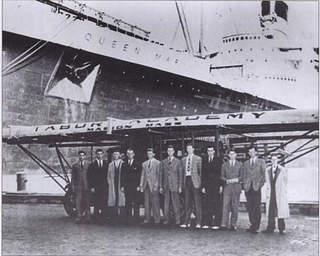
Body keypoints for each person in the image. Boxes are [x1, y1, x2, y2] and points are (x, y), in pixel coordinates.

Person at [262, 154, 290, 235]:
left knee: (280, 211)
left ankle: (282, 228)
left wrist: (283, 190)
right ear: (270, 161)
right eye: (272, 160)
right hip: (271, 193)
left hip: (279, 193)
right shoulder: (268, 170)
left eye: (275, 159)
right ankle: (270, 227)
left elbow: (285, 181)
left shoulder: (283, 170)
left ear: (278, 160)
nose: (274, 161)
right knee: (271, 210)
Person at [243, 146, 266, 234]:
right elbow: (244, 174)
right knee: (250, 206)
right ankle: (252, 224)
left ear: (256, 152)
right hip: (248, 187)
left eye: (253, 152)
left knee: (257, 206)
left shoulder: (261, 162)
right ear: (248, 153)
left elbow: (264, 174)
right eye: (250, 152)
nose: (251, 153)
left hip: (256, 187)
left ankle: (256, 226)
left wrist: (260, 184)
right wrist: (245, 184)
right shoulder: (245, 163)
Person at [219, 148, 243, 231]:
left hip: (236, 187)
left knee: (235, 207)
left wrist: (237, 179)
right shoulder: (224, 165)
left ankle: (233, 224)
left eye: (233, 154)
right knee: (225, 206)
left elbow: (242, 176)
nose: (232, 156)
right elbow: (221, 176)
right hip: (227, 188)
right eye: (230, 154)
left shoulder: (240, 164)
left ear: (236, 155)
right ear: (228, 155)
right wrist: (226, 180)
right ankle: (223, 224)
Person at [159, 145, 183, 226]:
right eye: (168, 151)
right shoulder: (163, 162)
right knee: (166, 204)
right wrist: (161, 186)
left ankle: (178, 220)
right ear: (167, 152)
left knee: (176, 203)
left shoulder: (178, 162)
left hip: (175, 186)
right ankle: (166, 220)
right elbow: (161, 175)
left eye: (171, 151)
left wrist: (180, 186)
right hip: (166, 186)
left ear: (174, 152)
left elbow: (180, 175)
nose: (170, 152)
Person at [201, 145, 223, 229]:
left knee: (216, 204)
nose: (210, 152)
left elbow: (221, 173)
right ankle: (208, 222)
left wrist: (221, 185)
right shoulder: (205, 160)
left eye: (211, 151)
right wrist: (203, 186)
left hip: (216, 185)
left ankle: (217, 223)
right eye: (208, 151)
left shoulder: (218, 160)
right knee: (207, 204)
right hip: (207, 186)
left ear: (214, 151)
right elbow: (203, 174)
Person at [180, 143, 202, 229]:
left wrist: (199, 183)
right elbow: (182, 173)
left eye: (190, 148)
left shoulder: (198, 159)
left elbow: (200, 172)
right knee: (187, 202)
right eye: (187, 148)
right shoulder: (183, 160)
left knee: (197, 203)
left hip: (195, 182)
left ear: (193, 149)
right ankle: (187, 222)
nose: (189, 150)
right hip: (187, 181)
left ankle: (198, 222)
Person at [140, 148, 161, 227]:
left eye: (151, 154)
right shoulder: (144, 164)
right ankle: (147, 219)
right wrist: (141, 185)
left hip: (154, 186)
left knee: (155, 203)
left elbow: (159, 175)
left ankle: (157, 220)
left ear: (154, 154)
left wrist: (156, 185)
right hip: (146, 185)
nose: (149, 155)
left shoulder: (158, 163)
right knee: (146, 203)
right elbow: (143, 175)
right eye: (148, 154)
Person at [120, 148, 142, 225]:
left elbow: (140, 175)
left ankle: (136, 220)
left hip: (135, 187)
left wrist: (139, 185)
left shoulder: (138, 164)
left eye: (131, 153)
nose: (130, 155)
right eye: (128, 154)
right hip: (127, 187)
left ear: (134, 154)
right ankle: (128, 220)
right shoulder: (124, 164)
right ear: (126, 155)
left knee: (136, 203)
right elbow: (122, 176)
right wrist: (122, 186)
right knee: (128, 203)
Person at [87, 149, 108, 222]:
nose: (99, 155)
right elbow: (90, 177)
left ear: (103, 155)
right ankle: (96, 217)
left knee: (104, 201)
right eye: (98, 154)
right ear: (96, 155)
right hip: (96, 186)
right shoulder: (92, 165)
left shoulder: (106, 164)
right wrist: (92, 187)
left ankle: (104, 217)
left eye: (101, 154)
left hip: (104, 186)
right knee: (96, 201)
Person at [71, 150, 91, 224]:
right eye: (80, 155)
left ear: (85, 156)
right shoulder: (75, 166)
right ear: (78, 156)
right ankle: (78, 217)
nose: (81, 157)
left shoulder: (88, 165)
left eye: (83, 155)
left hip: (86, 185)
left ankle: (88, 217)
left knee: (87, 201)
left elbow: (90, 176)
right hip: (78, 186)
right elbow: (73, 177)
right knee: (78, 201)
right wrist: (72, 186)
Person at [108, 149, 126, 224]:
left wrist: (123, 185)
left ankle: (122, 219)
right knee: (113, 201)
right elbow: (108, 176)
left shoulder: (123, 164)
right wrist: (110, 183)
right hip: (113, 184)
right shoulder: (110, 165)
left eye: (117, 154)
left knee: (121, 201)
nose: (116, 156)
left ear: (120, 155)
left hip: (120, 185)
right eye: (114, 154)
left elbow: (125, 175)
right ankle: (114, 218)